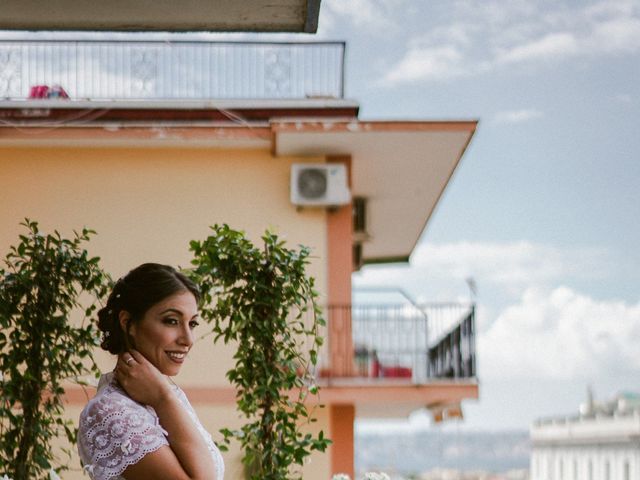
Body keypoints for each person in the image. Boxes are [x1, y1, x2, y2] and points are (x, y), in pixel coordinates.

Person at [78, 263, 224, 480]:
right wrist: (163, 398)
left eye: (192, 324)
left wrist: (163, 397)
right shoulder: (109, 411)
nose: (187, 339)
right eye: (171, 321)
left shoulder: (167, 395)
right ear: (128, 323)